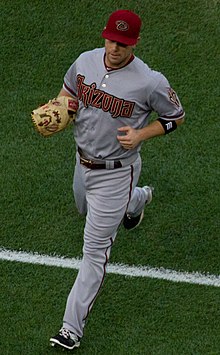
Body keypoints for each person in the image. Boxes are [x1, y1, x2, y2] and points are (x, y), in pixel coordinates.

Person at [49, 9, 185, 350]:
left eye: (123, 44)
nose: (115, 49)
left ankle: (70, 329)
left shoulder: (150, 81)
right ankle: (136, 200)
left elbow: (175, 117)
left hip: (116, 173)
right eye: (111, 40)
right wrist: (58, 109)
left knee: (93, 252)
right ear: (104, 35)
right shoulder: (85, 61)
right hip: (82, 164)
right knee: (83, 209)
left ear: (134, 43)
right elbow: (68, 93)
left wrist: (141, 134)